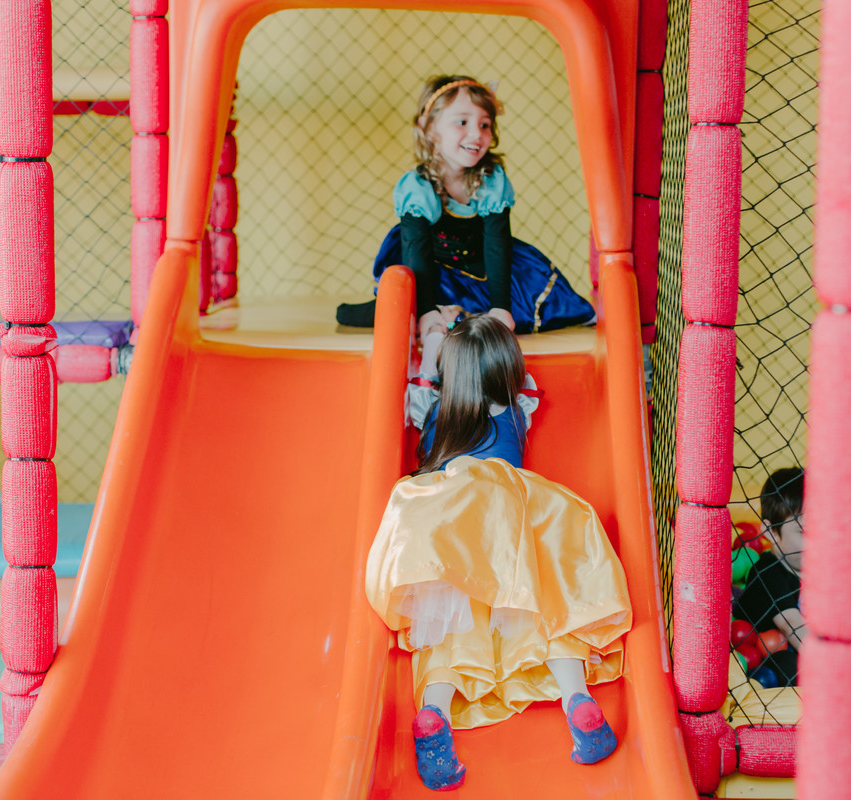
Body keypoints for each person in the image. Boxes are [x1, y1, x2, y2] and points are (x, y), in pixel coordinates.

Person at [365, 316, 630, 790]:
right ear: (506, 371)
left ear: (451, 374)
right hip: (513, 509)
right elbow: (521, 378)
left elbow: (421, 385)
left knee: (448, 624)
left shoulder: (433, 412)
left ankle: (433, 711)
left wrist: (432, 342)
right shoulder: (515, 405)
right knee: (549, 603)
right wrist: (497, 326)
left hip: (452, 522)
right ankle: (576, 698)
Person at [337, 75, 596, 336]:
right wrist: (425, 310)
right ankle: (391, 310)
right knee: (405, 309)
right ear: (430, 129)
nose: (477, 133)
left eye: (485, 124)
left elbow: (496, 243)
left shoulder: (491, 181)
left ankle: (464, 313)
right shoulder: (418, 187)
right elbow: (418, 253)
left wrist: (501, 307)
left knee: (528, 306)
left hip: (481, 262)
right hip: (431, 267)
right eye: (462, 122)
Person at [735, 467, 851, 687]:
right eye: (804, 532)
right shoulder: (768, 572)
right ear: (771, 533)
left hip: (832, 656)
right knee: (785, 662)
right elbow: (793, 627)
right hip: (770, 661)